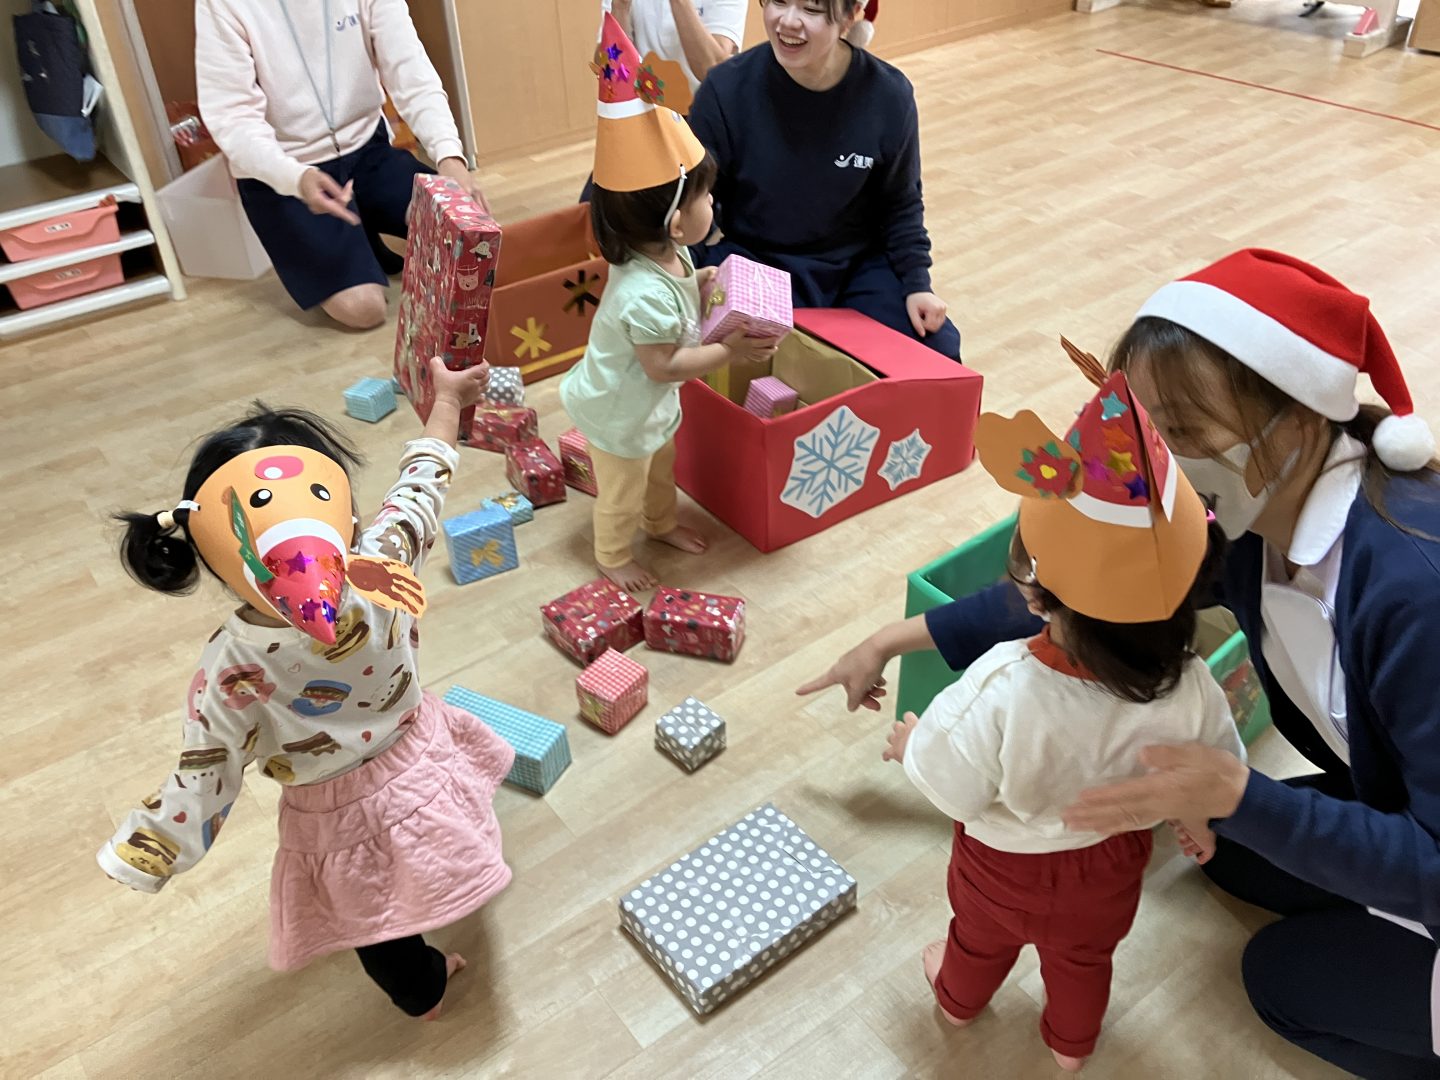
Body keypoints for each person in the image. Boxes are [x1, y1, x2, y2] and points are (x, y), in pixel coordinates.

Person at [801, 249, 1440, 1079]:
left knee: (1276, 981)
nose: (1155, 462)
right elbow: (1077, 596)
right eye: (1149, 428)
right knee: (1235, 850)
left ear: (1298, 421)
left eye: (1184, 431)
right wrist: (887, 640)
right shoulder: (1246, 519)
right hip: (1396, 798)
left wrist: (1237, 794)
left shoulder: (1413, 591)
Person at [100, 360, 515, 1020]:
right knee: (434, 841)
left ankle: (423, 991)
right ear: (347, 518)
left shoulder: (227, 668)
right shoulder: (383, 560)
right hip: (416, 754)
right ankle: (448, 900)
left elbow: (205, 773)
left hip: (333, 811)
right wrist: (447, 403)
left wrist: (147, 849)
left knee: (375, 919)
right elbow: (421, 484)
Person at [880, 367, 1246, 1071]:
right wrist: (1194, 821)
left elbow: (954, 785)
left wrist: (912, 744)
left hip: (1000, 866)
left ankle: (957, 1001)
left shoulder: (1004, 682)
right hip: (1108, 870)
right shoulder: (1194, 684)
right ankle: (1071, 1046)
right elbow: (1219, 768)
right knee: (1084, 961)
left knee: (977, 941)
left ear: (1036, 594)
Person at [560, 14, 779, 592]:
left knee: (661, 468)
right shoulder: (641, 293)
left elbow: (677, 298)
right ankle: (611, 554)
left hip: (647, 408)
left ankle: (659, 524)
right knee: (623, 489)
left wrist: (701, 280)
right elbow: (665, 365)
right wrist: (729, 350)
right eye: (706, 197)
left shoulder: (669, 253)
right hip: (619, 412)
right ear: (677, 222)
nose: (714, 205)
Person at [685, 0, 960, 359]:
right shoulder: (726, 88)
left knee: (934, 351)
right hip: (757, 262)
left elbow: (901, 202)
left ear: (849, 17)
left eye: (812, 10)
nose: (788, 21)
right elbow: (693, 200)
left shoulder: (888, 94)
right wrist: (679, 278)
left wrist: (917, 283)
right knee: (704, 344)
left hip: (855, 268)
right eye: (778, 1)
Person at [196, 0, 481, 330]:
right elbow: (232, 120)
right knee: (364, 310)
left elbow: (411, 71)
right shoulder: (221, 5)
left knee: (472, 239)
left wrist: (449, 156)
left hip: (367, 151)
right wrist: (295, 177)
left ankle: (364, 228)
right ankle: (356, 243)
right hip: (289, 173)